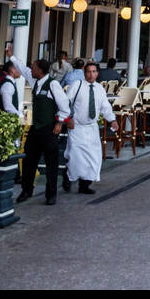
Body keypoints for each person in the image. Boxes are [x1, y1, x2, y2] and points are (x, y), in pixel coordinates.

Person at [17, 57, 70, 205]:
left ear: (40, 70)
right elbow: (24, 70)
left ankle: (51, 194)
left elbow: (64, 105)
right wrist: (12, 57)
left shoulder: (52, 84)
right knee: (28, 160)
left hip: (49, 128)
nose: (31, 70)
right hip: (35, 128)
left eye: (34, 67)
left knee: (51, 162)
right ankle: (27, 190)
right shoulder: (35, 82)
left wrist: (60, 122)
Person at [63, 61, 116, 194]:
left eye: (94, 72)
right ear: (84, 73)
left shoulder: (99, 89)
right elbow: (66, 102)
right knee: (76, 155)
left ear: (97, 73)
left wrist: (112, 120)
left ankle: (85, 185)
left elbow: (105, 106)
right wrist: (69, 119)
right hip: (77, 127)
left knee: (93, 157)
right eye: (88, 72)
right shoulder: (77, 85)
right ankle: (68, 177)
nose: (91, 75)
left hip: (92, 127)